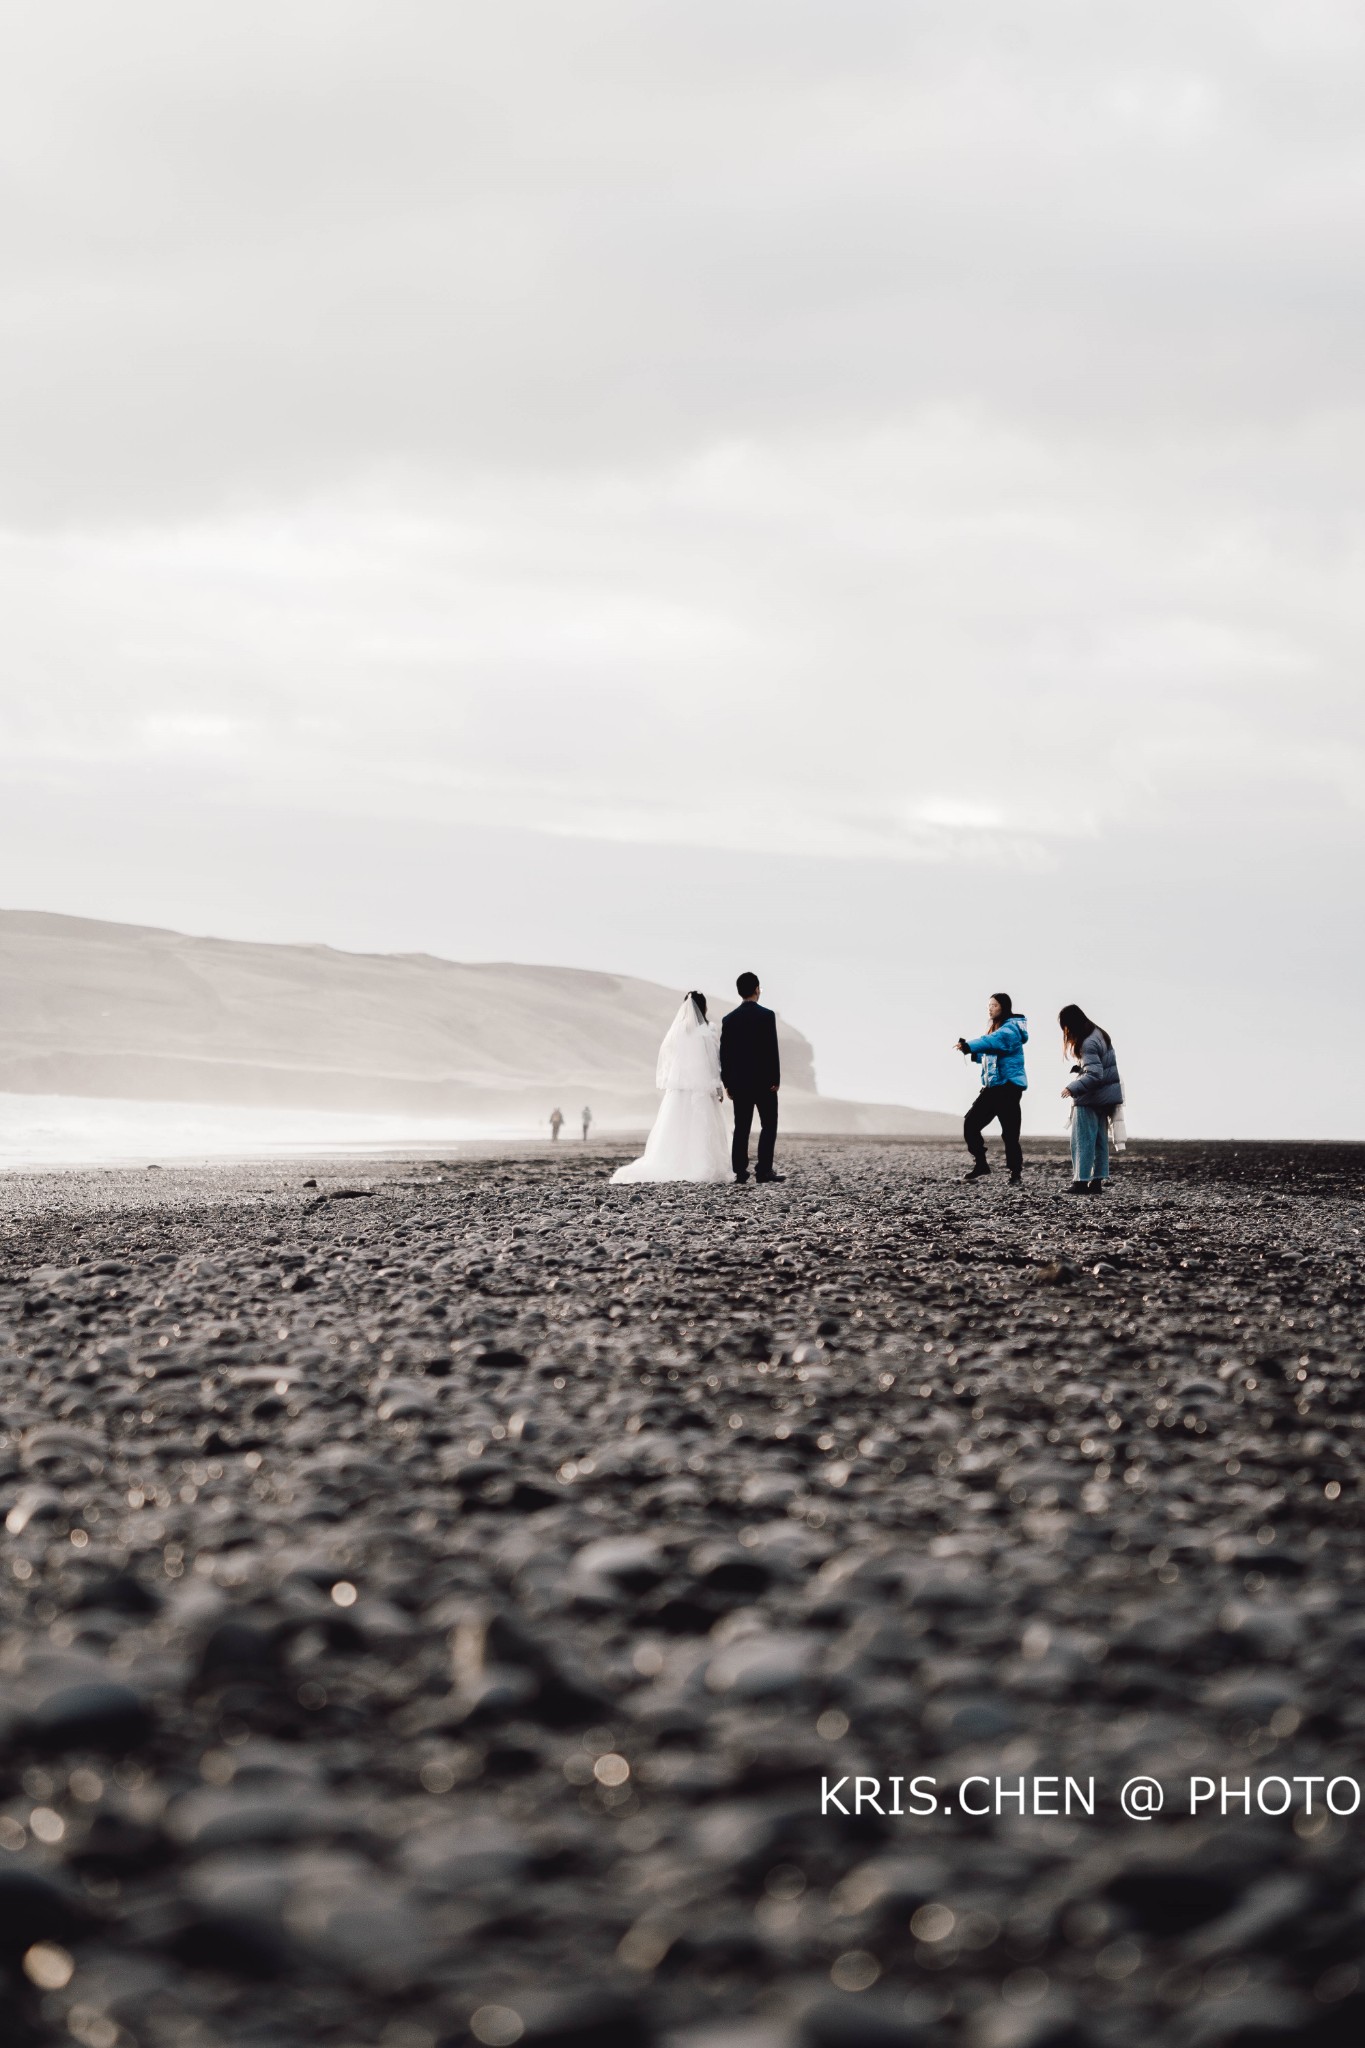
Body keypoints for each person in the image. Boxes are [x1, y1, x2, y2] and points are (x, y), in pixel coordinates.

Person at [610, 992, 731, 1184]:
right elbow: (713, 1061)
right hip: (701, 1088)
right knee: (703, 1127)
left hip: (681, 1089)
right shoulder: (709, 1029)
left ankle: (677, 1162)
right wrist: (717, 1086)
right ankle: (702, 1164)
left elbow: (673, 1058)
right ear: (704, 1008)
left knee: (678, 1126)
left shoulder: (679, 1030)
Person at [955, 993, 1028, 1184]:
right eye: (989, 1005)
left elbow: (994, 1042)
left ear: (1004, 1007)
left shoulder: (1010, 1030)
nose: (990, 1008)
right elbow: (991, 1053)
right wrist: (972, 1053)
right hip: (993, 1087)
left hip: (1009, 1088)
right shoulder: (996, 1028)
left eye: (994, 1005)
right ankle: (981, 1164)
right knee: (970, 1124)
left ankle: (1015, 1173)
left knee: (1010, 1133)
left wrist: (969, 1046)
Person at [720, 972, 782, 1184]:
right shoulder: (766, 1015)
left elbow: (724, 1055)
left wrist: (727, 1082)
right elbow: (771, 1050)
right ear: (756, 989)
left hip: (740, 1083)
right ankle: (764, 1171)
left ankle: (740, 1172)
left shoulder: (729, 1020)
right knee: (769, 1124)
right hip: (764, 1082)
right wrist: (776, 1078)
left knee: (742, 1127)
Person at [1059, 1004, 1123, 1194]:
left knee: (1082, 1140)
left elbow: (1095, 1074)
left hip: (1089, 1098)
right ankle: (1096, 1182)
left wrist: (1072, 1088)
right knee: (1099, 1140)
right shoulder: (1099, 1034)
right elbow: (1099, 1068)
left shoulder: (1087, 1042)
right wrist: (1080, 1070)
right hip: (1104, 1098)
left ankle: (1080, 1182)